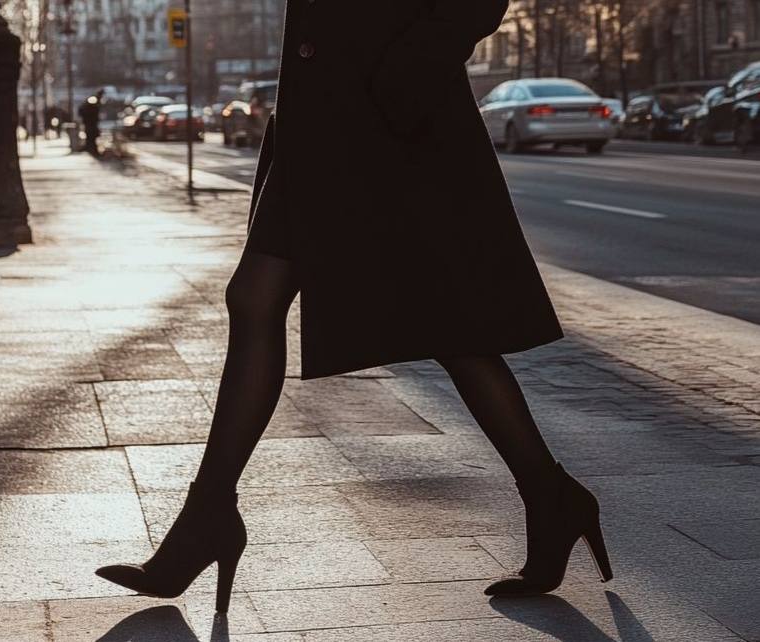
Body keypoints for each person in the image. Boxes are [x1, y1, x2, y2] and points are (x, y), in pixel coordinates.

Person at [95, 0, 613, 611]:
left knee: (453, 329)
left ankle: (551, 495)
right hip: (324, 116)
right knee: (256, 299)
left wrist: (399, 78)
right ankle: (207, 516)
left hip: (388, 121)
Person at [78, 89, 104, 155]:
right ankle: (92, 150)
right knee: (91, 136)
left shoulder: (95, 100)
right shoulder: (93, 100)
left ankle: (92, 150)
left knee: (92, 137)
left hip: (91, 122)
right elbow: (88, 110)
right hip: (90, 122)